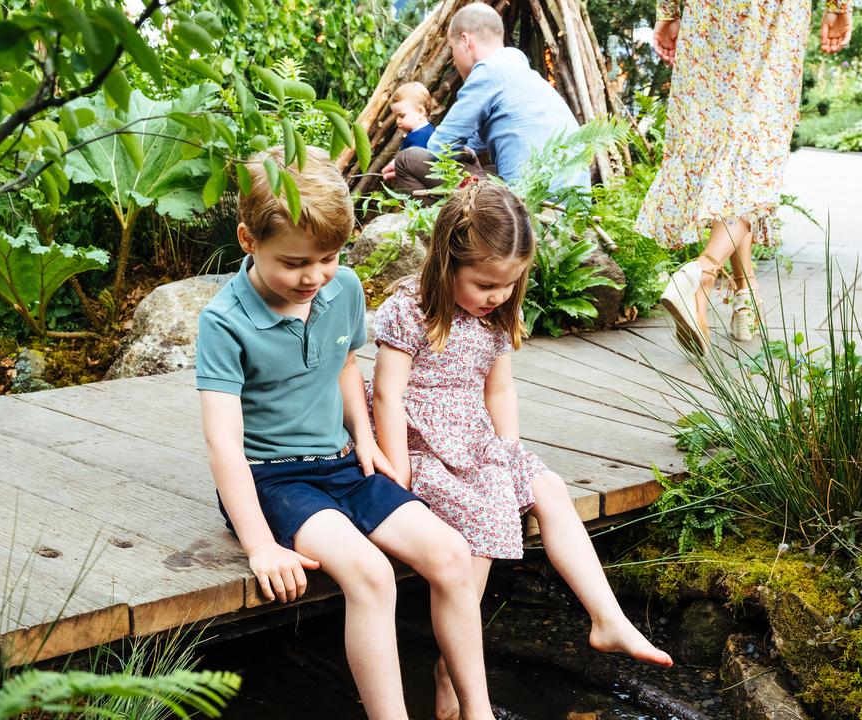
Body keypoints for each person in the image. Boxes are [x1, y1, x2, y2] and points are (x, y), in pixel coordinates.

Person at [196, 146, 496, 720]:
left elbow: (342, 364)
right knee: (372, 574)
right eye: (294, 262)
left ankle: (473, 710)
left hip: (342, 462)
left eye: (328, 256)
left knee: (454, 556)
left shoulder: (345, 289)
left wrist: (364, 435)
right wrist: (260, 543)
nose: (313, 276)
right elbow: (223, 446)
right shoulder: (225, 321)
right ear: (247, 240)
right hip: (272, 480)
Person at [369, 178, 673, 719]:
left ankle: (607, 618)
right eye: (485, 284)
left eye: (509, 284)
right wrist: (396, 476)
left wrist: (507, 452)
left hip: (478, 441)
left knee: (549, 488)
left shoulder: (496, 316)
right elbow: (388, 395)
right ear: (447, 264)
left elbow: (499, 389)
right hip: (421, 446)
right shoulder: (409, 312)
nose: (498, 296)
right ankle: (455, 674)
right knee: (483, 524)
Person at [641, 0, 853, 354]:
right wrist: (838, 6)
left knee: (728, 149)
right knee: (756, 150)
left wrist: (668, 12)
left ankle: (744, 291)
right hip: (775, 12)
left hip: (710, 12)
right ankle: (702, 275)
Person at [390, 2, 584, 194]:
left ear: (465, 41)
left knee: (406, 160)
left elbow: (439, 147)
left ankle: (441, 224)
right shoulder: (516, 68)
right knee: (490, 172)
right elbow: (476, 141)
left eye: (452, 49)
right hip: (564, 200)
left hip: (527, 203)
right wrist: (469, 153)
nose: (454, 60)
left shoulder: (488, 71)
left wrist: (463, 154)